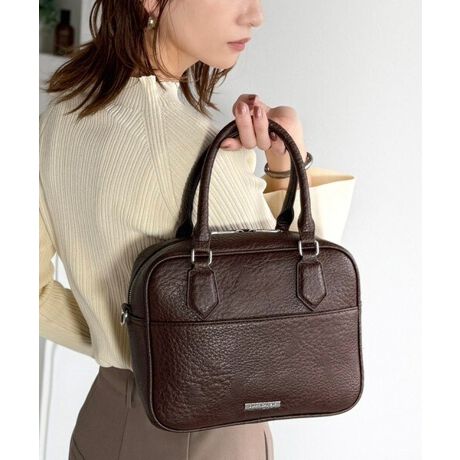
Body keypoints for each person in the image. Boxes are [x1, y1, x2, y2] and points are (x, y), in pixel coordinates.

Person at [39, 1, 355, 458]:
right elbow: (305, 296)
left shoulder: (57, 119)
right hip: (205, 432)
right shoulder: (191, 149)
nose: (255, 15)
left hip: (104, 421)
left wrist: (124, 337)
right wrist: (288, 162)